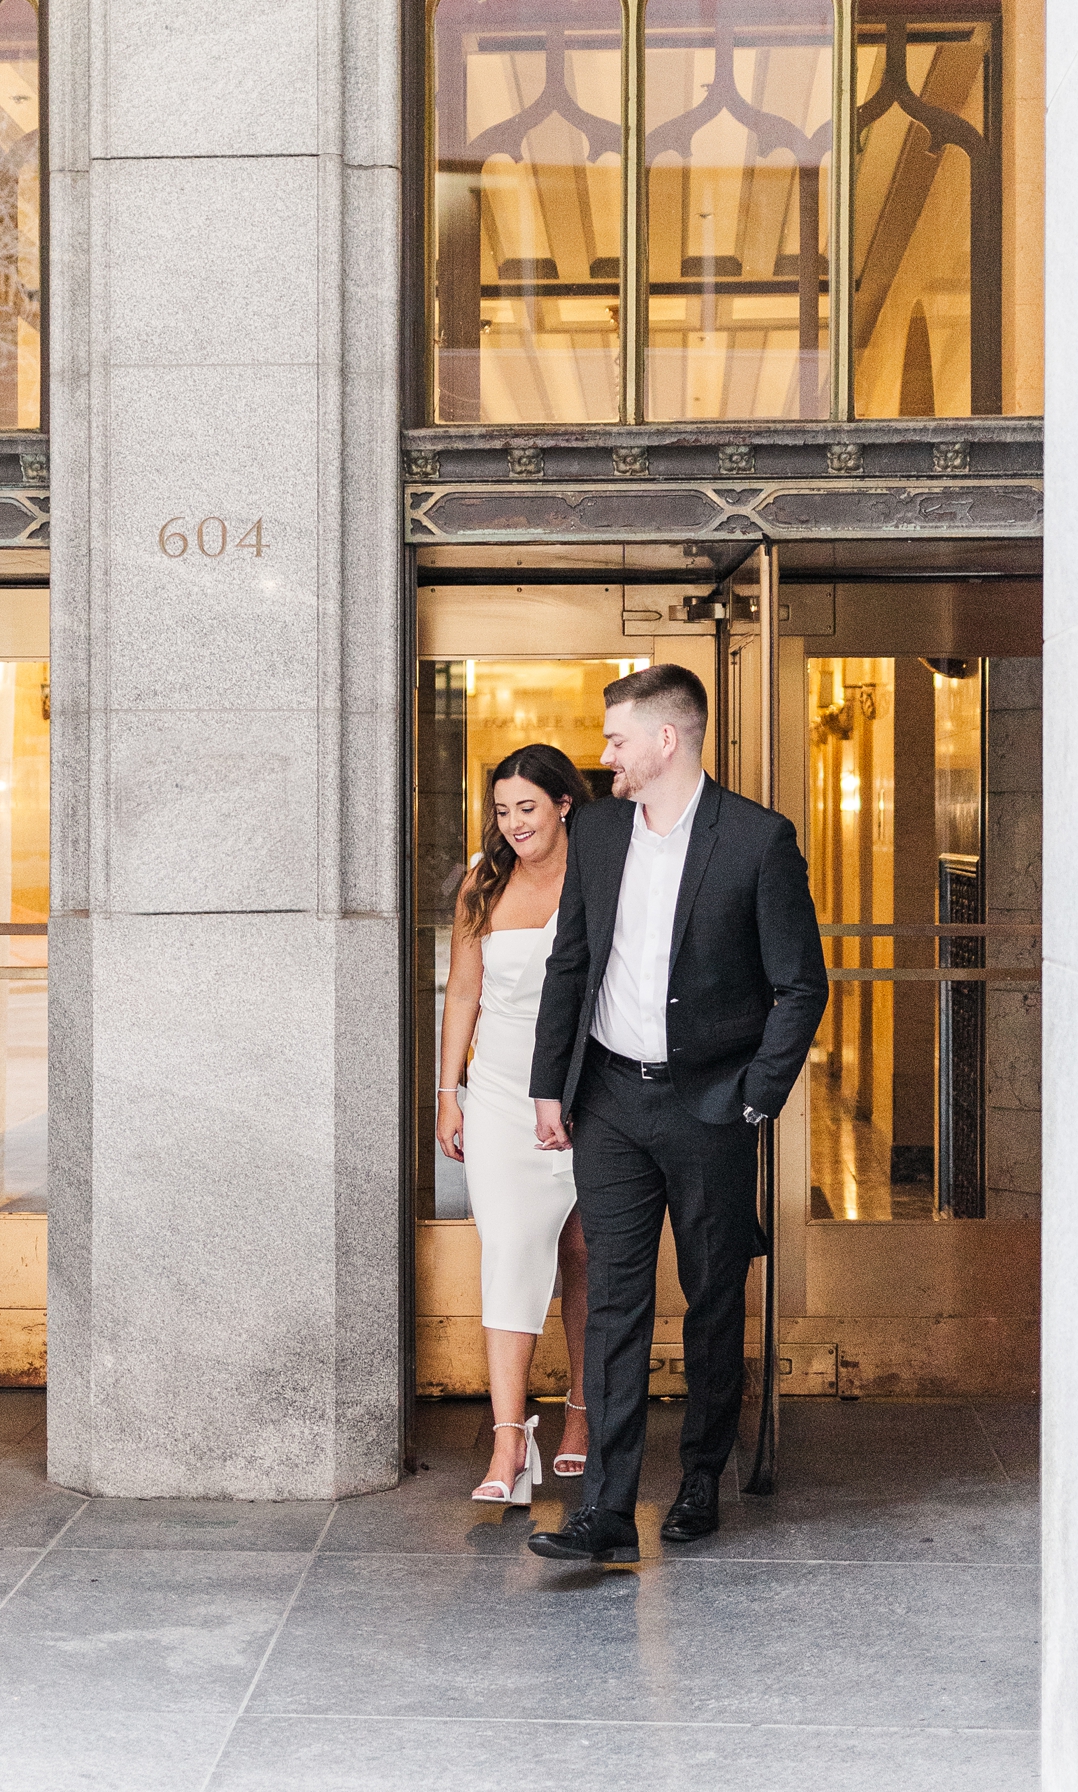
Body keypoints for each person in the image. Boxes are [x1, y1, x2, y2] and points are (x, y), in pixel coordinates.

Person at [525, 663, 828, 1564]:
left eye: (617, 738)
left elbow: (800, 986)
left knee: (709, 1299)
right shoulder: (602, 828)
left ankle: (700, 1476)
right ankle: (607, 1509)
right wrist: (552, 1082)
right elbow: (569, 964)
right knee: (614, 1299)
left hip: (710, 1107)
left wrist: (752, 1101)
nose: (605, 754)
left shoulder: (757, 841)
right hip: (610, 1101)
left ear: (667, 741)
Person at [437, 745, 595, 1504]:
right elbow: (463, 991)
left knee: (585, 1250)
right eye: (503, 811)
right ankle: (508, 1444)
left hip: (585, 1088)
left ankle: (582, 1414)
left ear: (564, 804)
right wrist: (448, 1093)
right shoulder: (483, 879)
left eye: (527, 807)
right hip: (499, 1092)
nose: (514, 824)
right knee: (507, 1248)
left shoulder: (599, 876)